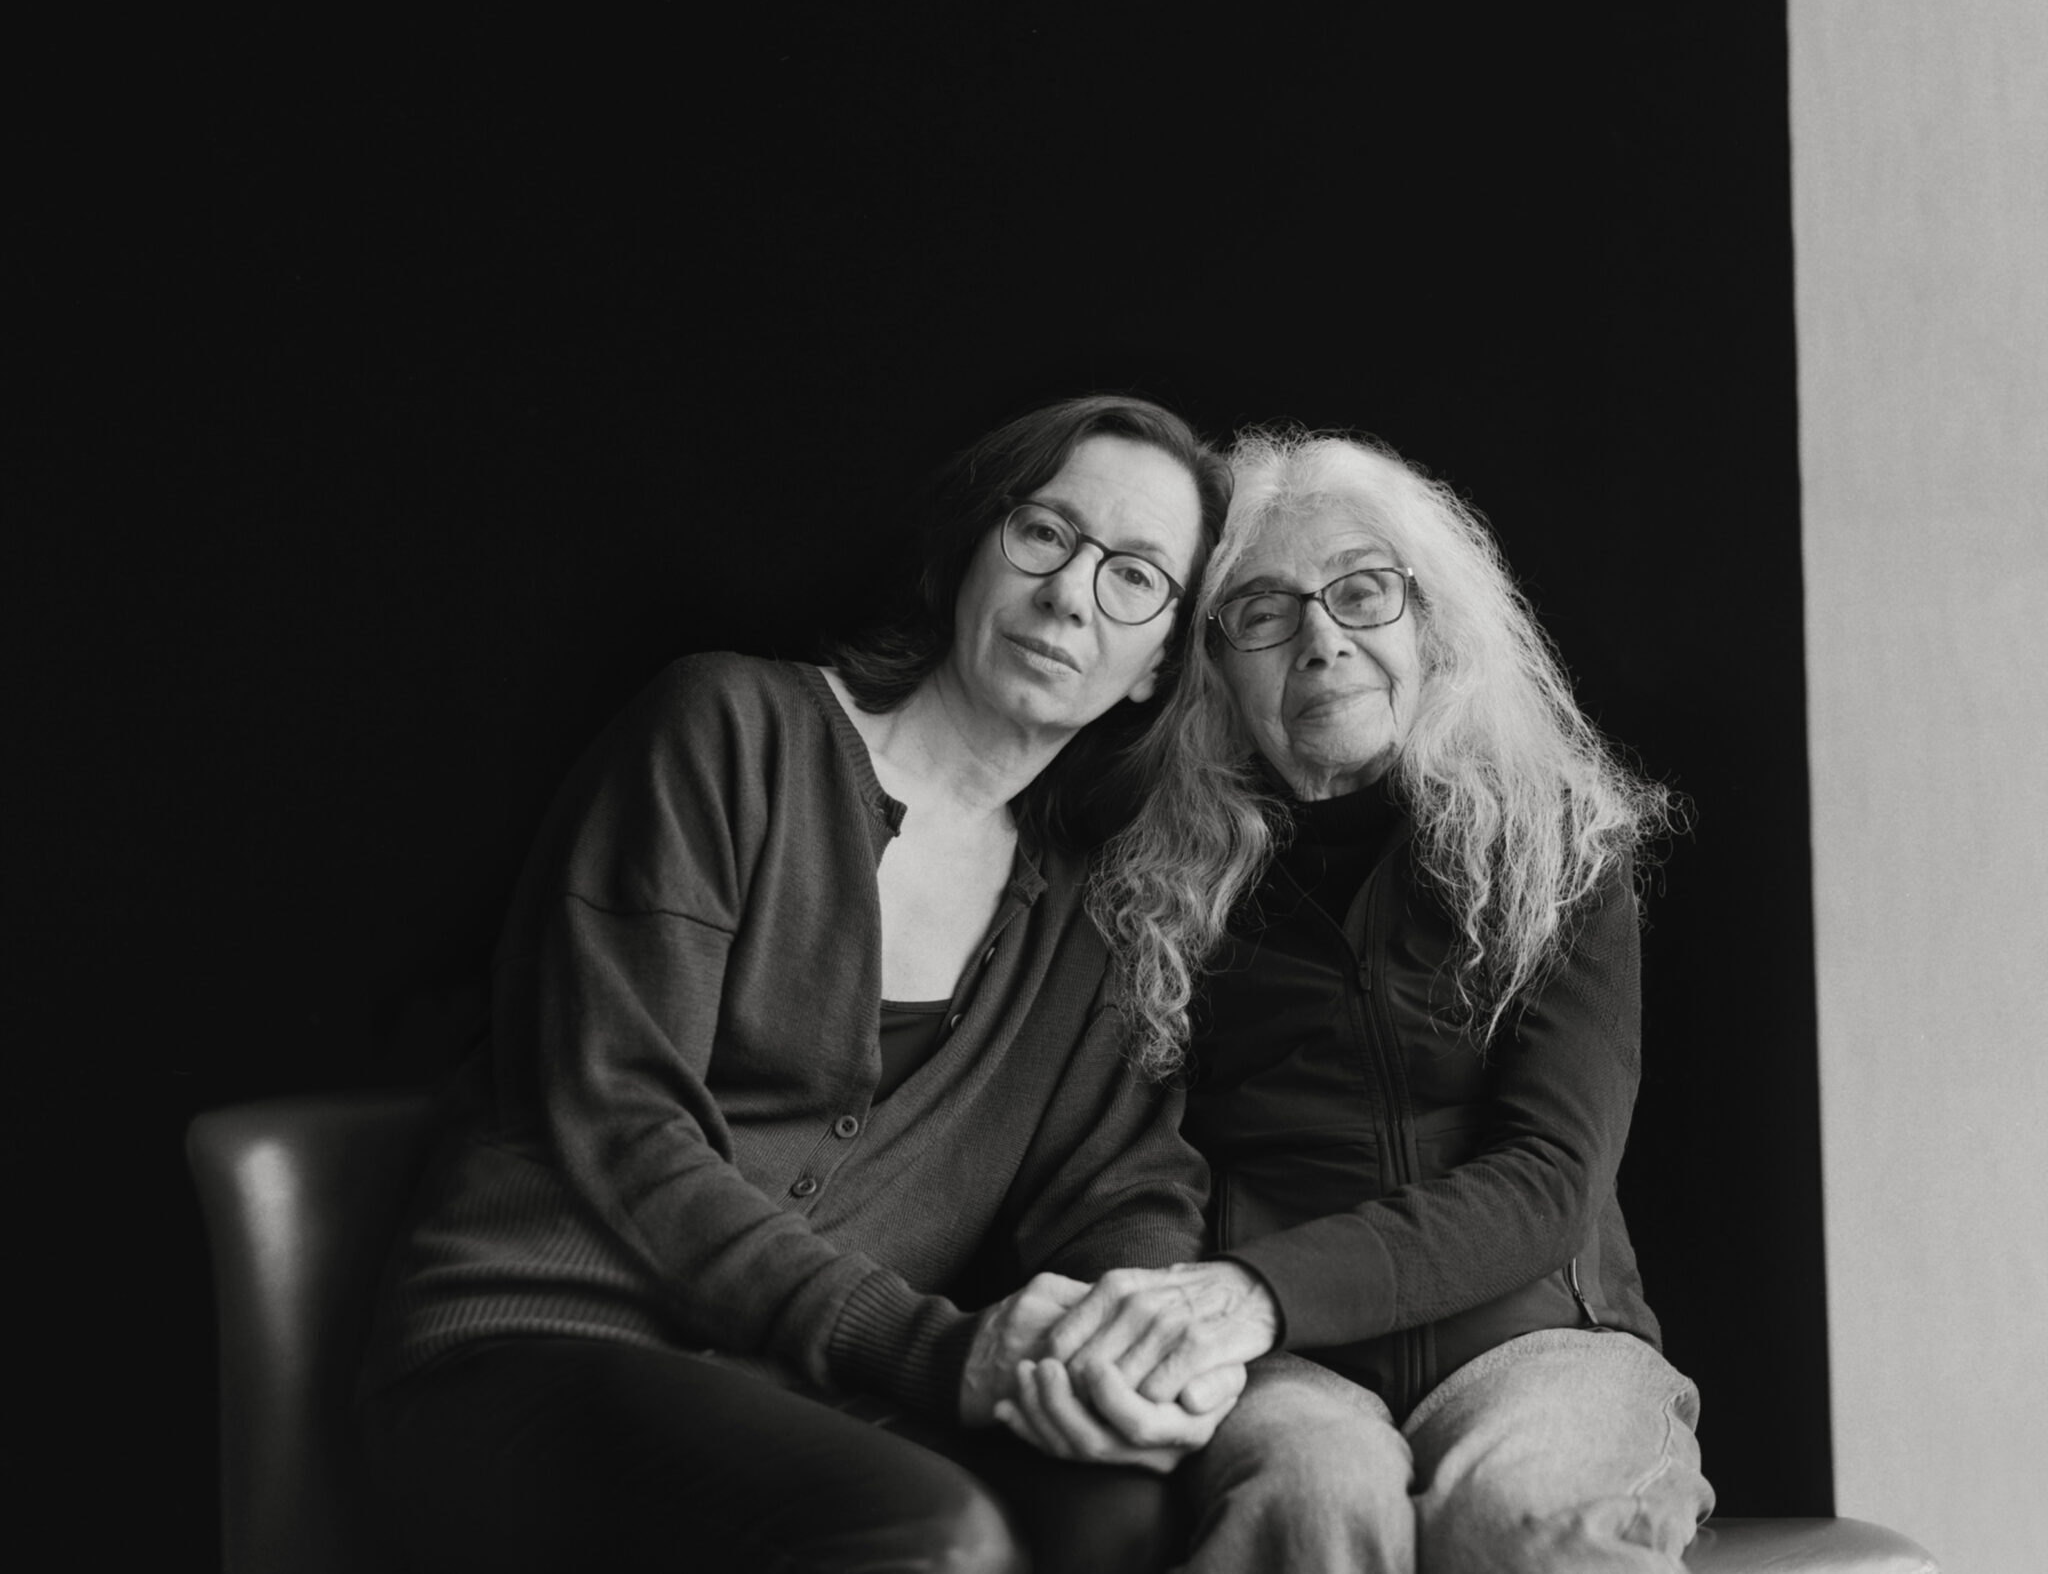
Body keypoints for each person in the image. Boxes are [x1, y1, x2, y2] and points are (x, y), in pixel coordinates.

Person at [356, 394, 1267, 1574]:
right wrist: (929, 1350)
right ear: (968, 552)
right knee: (927, 1538)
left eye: (1134, 576)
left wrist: (1122, 1347)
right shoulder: (728, 730)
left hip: (809, 1394)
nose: (1069, 596)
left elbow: (1119, 1189)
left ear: (1157, 667)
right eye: (1044, 533)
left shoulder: (1092, 918)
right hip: (533, 1349)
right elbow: (621, 1122)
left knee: (1116, 1515)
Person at [1013, 427, 1714, 1573]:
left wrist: (1259, 1290)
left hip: (1541, 1343)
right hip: (1282, 1368)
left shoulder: (1557, 848)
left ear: (1431, 624)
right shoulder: (1145, 882)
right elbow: (1122, 1166)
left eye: (1361, 592)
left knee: (1520, 1516)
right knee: (1313, 1493)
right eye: (1262, 611)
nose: (1321, 640)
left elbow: (1548, 1177)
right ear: (1209, 666)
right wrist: (1176, 1319)